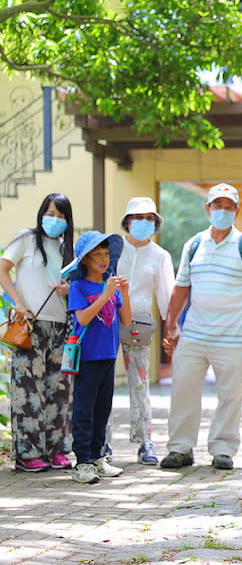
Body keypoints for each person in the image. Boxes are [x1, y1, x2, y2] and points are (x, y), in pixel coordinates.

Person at [160, 183, 242, 471]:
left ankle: (223, 449)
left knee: (230, 395)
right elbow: (181, 288)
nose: (222, 211)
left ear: (236, 210)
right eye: (217, 206)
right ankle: (180, 448)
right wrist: (170, 326)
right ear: (207, 209)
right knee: (183, 390)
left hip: (233, 336)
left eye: (228, 206)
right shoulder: (194, 245)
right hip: (195, 334)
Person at [0, 194, 75, 472]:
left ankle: (56, 450)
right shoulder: (26, 238)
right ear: (41, 213)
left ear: (68, 220)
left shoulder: (67, 248)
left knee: (59, 388)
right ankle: (28, 455)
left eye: (60, 215)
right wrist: (18, 302)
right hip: (30, 324)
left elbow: (74, 286)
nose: (54, 220)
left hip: (61, 326)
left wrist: (68, 290)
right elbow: (3, 269)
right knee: (27, 390)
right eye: (50, 213)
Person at [62, 231, 132, 483]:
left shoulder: (112, 285)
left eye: (106, 254)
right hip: (87, 357)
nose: (104, 259)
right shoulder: (78, 286)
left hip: (108, 355)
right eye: (97, 255)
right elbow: (81, 318)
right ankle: (82, 462)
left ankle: (97, 457)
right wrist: (105, 294)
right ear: (85, 260)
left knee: (103, 409)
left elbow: (126, 320)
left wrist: (125, 291)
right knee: (84, 409)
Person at [112, 197, 175, 465]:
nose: (144, 222)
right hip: (105, 319)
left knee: (140, 383)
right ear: (128, 221)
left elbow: (166, 296)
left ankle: (145, 442)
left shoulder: (160, 256)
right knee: (103, 383)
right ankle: (101, 443)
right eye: (138, 217)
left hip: (138, 323)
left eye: (150, 218)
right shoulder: (113, 248)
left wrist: (171, 330)